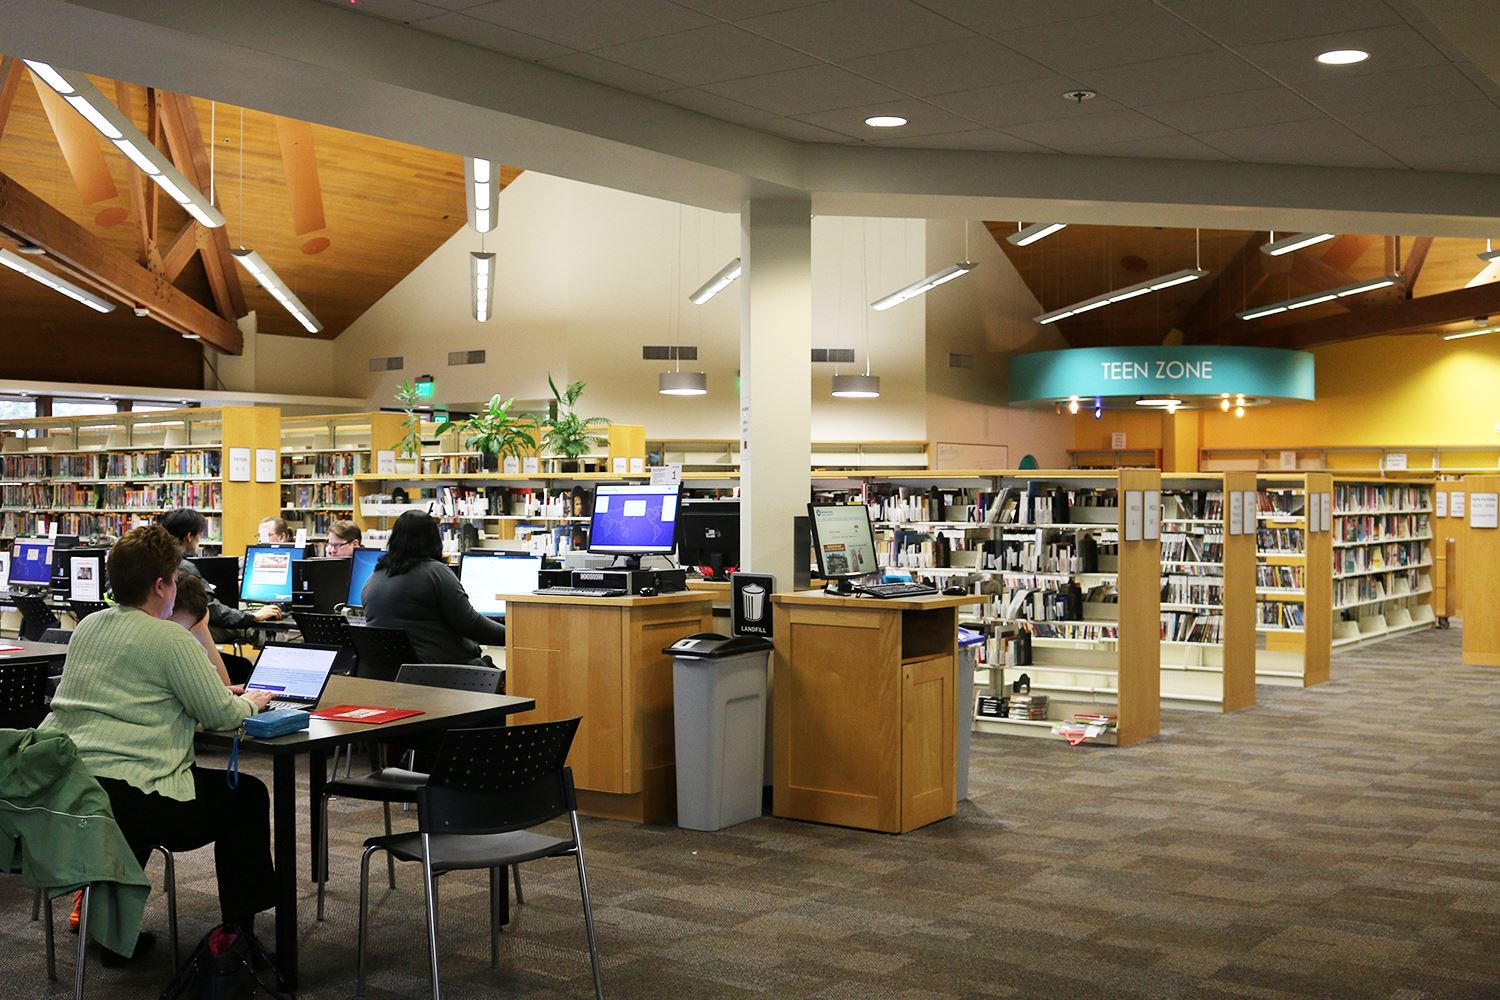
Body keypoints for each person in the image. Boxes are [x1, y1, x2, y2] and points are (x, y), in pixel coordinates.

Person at [41, 525, 276, 950]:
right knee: (248, 797)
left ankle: (111, 933)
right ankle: (238, 933)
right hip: (138, 797)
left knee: (134, 798)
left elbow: (134, 689)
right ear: (160, 584)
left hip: (75, 789)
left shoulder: (90, 625)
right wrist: (252, 702)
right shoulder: (169, 637)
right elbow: (220, 717)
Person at [362, 510, 503, 666]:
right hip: (437, 674)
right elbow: (471, 624)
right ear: (434, 540)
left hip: (388, 674)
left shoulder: (373, 578)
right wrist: (513, 634)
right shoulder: (436, 573)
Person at [162, 508, 282, 626]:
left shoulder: (160, 560)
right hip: (190, 627)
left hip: (168, 625)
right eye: (199, 535)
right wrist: (253, 616)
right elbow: (211, 609)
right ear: (189, 537)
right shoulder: (185, 569)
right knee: (249, 630)